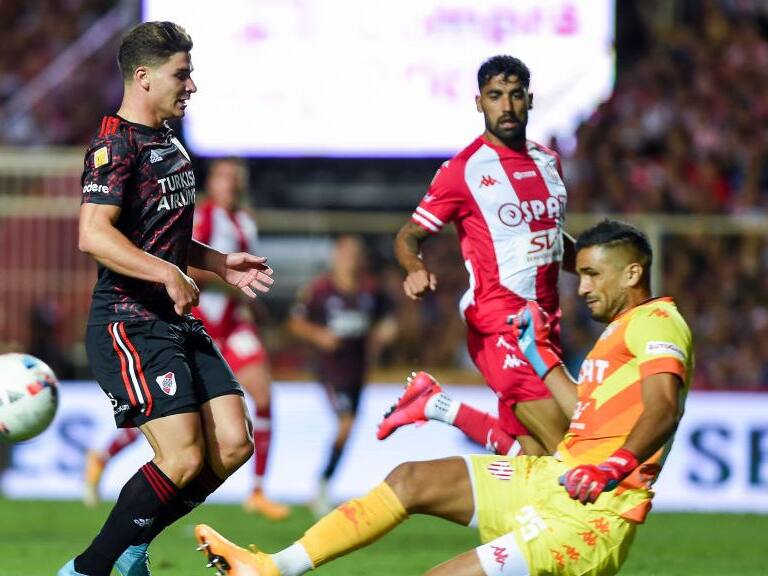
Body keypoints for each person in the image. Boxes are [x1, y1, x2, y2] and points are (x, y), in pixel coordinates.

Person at [192, 219, 694, 576]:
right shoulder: (618, 332)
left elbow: (664, 408)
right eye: (579, 273)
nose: (581, 288)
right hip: (555, 481)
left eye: (593, 275)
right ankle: (272, 568)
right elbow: (584, 413)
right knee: (411, 480)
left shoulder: (657, 321)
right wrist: (541, 358)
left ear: (632, 274)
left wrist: (613, 467)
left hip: (593, 517)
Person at [58, 21, 274, 576]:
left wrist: (218, 262)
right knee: (182, 455)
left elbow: (163, 237)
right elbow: (94, 234)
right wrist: (167, 273)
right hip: (129, 321)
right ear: (144, 77)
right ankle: (87, 569)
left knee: (234, 443)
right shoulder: (115, 145)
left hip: (173, 319)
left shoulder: (169, 142)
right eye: (182, 74)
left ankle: (132, 545)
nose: (192, 85)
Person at [379, 54, 573, 456]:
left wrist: (598, 268)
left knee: (534, 466)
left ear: (530, 100)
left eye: (515, 95)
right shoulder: (463, 170)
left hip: (546, 326)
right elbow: (408, 235)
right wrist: (414, 268)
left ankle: (437, 405)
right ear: (479, 102)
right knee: (569, 457)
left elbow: (551, 238)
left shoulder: (548, 161)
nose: (507, 106)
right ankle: (436, 406)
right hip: (502, 326)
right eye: (495, 95)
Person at [81, 158, 289, 520]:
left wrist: (249, 302)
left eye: (236, 178)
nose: (231, 184)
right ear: (212, 182)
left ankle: (257, 491)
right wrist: (222, 275)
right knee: (174, 414)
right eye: (224, 177)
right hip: (199, 321)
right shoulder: (203, 217)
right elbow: (181, 263)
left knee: (264, 397)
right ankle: (103, 456)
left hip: (234, 324)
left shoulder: (245, 220)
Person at [288, 235, 397, 516]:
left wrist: (386, 331)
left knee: (349, 428)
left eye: (355, 253)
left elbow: (388, 320)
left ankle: (324, 485)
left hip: (357, 370)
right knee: (346, 424)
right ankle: (322, 486)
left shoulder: (371, 290)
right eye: (346, 253)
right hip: (330, 369)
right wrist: (320, 335)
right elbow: (296, 323)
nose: (351, 259)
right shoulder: (320, 289)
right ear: (335, 256)